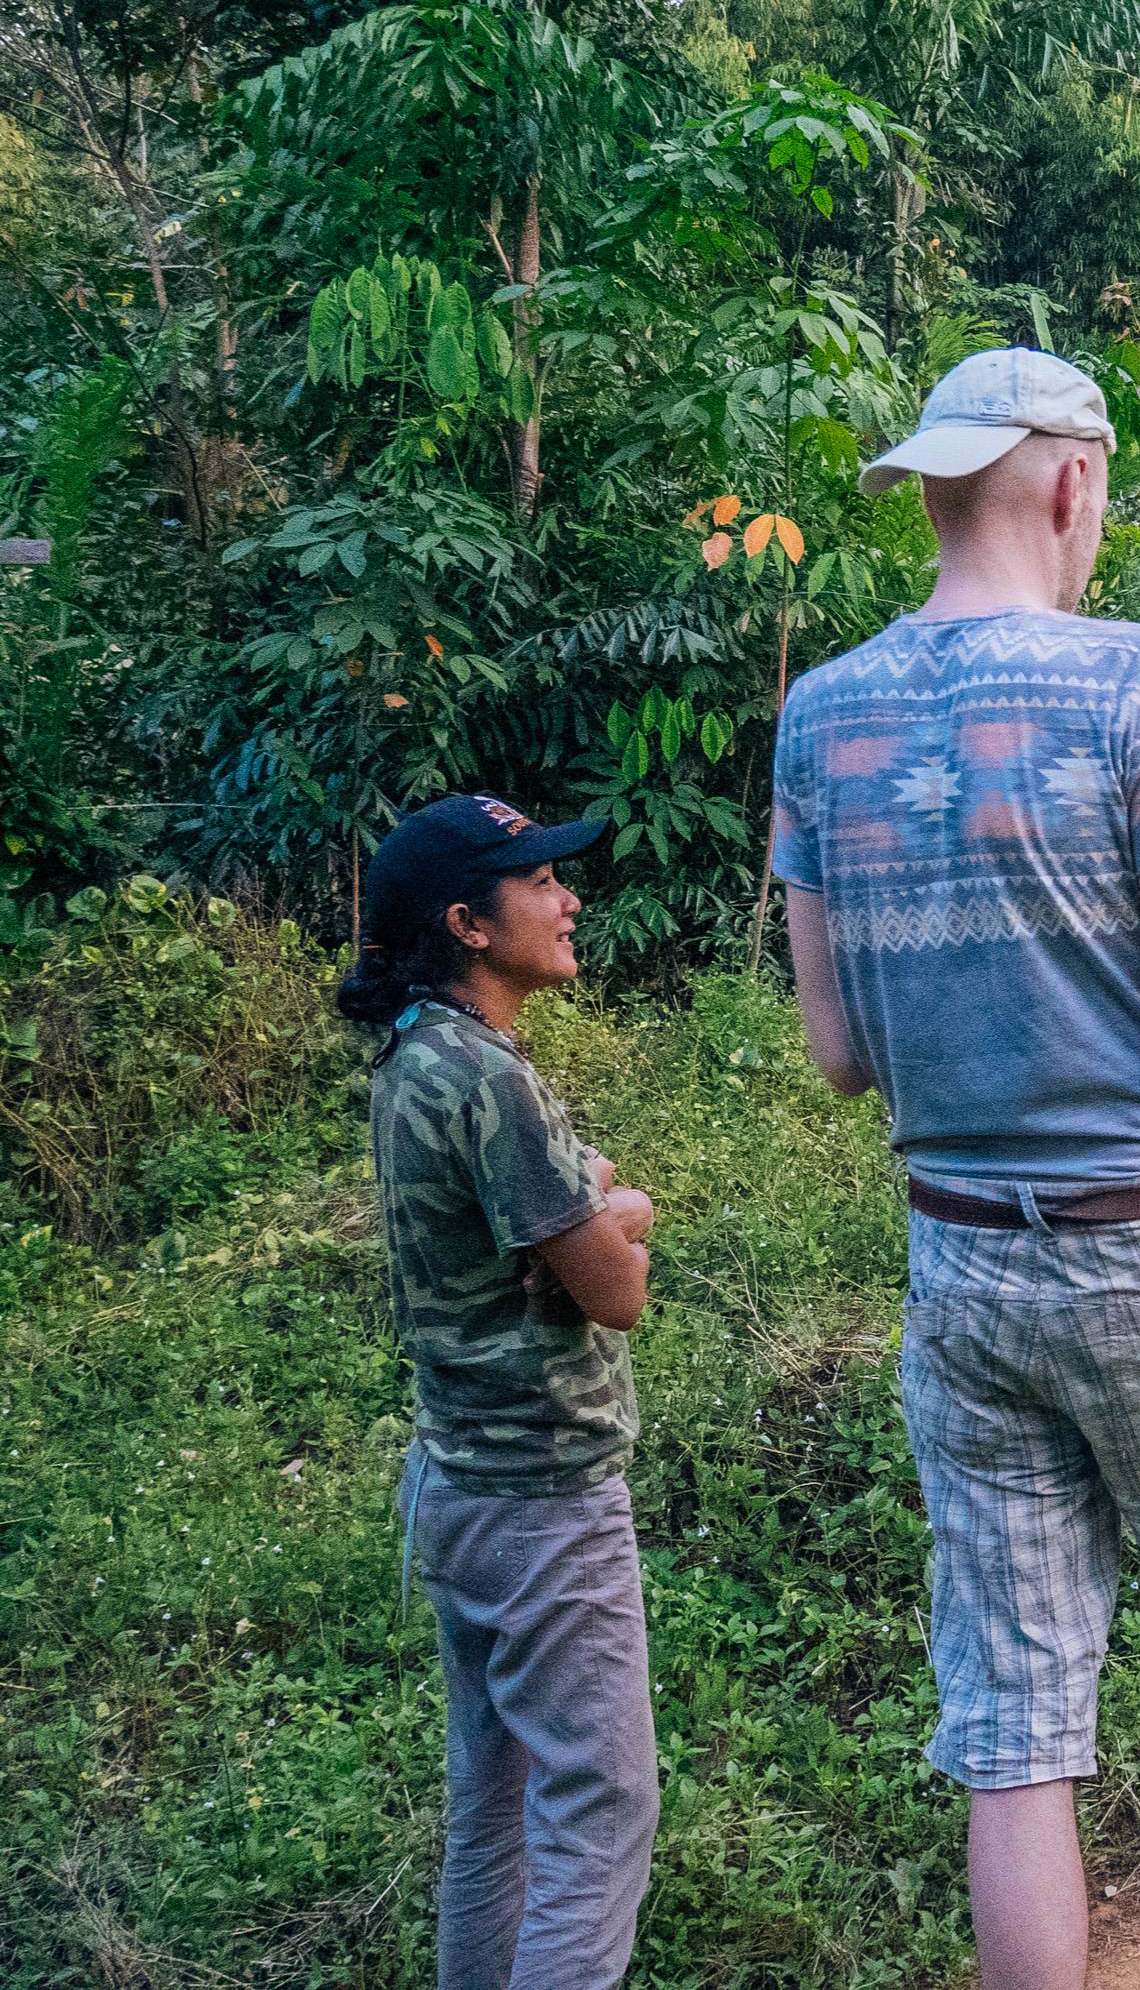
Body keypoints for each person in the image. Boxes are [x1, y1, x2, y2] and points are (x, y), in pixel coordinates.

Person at [772, 348, 1140, 1990]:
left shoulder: (821, 717)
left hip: (963, 1269)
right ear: (1069, 482)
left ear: (940, 485)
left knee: (1016, 1722)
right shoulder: (1129, 683)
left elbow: (841, 1051)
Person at [335, 796, 661, 1990]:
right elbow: (613, 1289)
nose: (568, 899)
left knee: (496, 1806)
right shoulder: (489, 1080)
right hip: (544, 1502)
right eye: (539, 884)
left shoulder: (418, 1053)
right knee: (601, 1812)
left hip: (457, 1484)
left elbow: (546, 1226)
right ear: (469, 924)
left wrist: (585, 1212)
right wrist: (618, 1216)